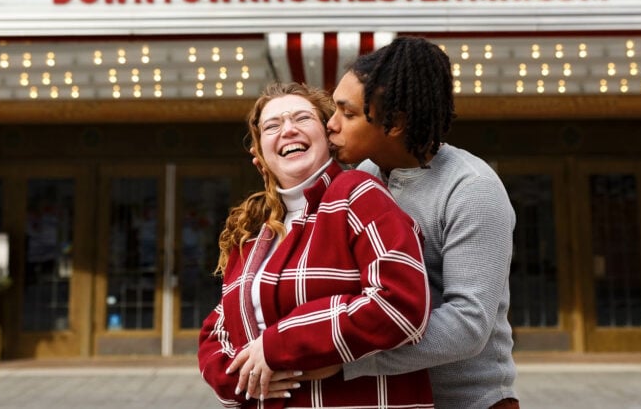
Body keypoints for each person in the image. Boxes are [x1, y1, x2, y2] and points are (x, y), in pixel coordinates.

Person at [198, 81, 434, 408]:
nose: (289, 130)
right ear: (260, 154)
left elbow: (400, 304)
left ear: (327, 135)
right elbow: (218, 331)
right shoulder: (254, 234)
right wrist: (234, 379)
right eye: (272, 125)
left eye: (302, 119)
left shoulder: (357, 193)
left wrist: (278, 344)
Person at [327, 36, 519, 409]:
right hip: (392, 399)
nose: (331, 124)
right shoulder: (362, 176)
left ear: (395, 123)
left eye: (348, 114)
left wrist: (344, 358)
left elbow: (467, 326)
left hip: (468, 402)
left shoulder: (471, 189)